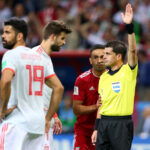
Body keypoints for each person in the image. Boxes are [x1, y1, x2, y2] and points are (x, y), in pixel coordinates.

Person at [0, 18, 64, 150]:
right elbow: (59, 88)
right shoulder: (39, 57)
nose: (3, 36)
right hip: (38, 125)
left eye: (7, 32)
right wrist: (49, 117)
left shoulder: (11, 55)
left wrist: (3, 109)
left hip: (16, 122)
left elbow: (6, 80)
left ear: (19, 36)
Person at [91, 4, 138, 150]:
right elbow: (101, 105)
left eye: (107, 54)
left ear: (118, 56)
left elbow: (132, 51)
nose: (103, 57)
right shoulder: (104, 77)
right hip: (104, 124)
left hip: (121, 125)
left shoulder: (128, 71)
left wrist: (129, 27)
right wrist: (96, 128)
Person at [32, 20, 72, 150]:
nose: (64, 42)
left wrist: (54, 115)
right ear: (53, 36)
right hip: (37, 117)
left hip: (44, 117)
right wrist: (48, 117)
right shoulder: (33, 57)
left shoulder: (46, 58)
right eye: (62, 38)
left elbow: (45, 91)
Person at [73, 44, 106, 150]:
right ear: (90, 60)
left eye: (102, 57)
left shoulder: (114, 79)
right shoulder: (82, 80)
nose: (99, 60)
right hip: (84, 131)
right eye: (96, 57)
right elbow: (76, 109)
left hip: (105, 130)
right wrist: (96, 106)